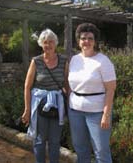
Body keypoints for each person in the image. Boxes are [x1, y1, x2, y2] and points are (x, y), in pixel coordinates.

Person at [68, 23, 116, 163]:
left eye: (90, 38)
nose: (86, 41)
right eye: (83, 38)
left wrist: (106, 115)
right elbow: (71, 85)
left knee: (101, 152)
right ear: (78, 41)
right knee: (81, 149)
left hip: (97, 112)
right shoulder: (74, 60)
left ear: (95, 41)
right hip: (75, 111)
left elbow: (111, 89)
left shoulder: (103, 61)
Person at [22, 28, 68, 163]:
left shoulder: (64, 61)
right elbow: (27, 86)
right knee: (39, 139)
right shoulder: (36, 61)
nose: (48, 45)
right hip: (39, 105)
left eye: (51, 42)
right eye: (45, 42)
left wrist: (70, 105)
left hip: (57, 105)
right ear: (41, 44)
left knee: (55, 141)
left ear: (56, 43)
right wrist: (27, 109)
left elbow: (67, 85)